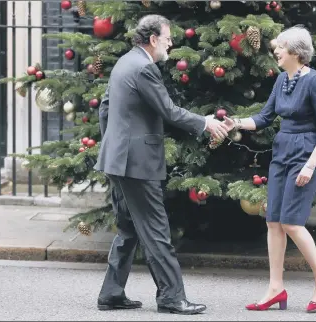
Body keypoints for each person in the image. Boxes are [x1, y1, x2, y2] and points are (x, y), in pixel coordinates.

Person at [94, 14, 231, 315]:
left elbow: (105, 109)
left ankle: (111, 294)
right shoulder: (144, 68)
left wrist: (112, 146)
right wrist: (204, 123)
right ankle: (171, 297)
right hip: (136, 163)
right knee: (156, 230)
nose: (171, 43)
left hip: (118, 160)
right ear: (153, 39)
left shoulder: (124, 62)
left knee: (129, 228)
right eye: (168, 38)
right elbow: (168, 111)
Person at [222, 25, 316, 312]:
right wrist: (234, 123)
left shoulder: (315, 82)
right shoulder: (282, 81)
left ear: (297, 52)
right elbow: (263, 117)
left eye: (281, 47)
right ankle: (276, 288)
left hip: (306, 154)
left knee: (292, 222)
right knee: (273, 221)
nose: (275, 51)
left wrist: (310, 166)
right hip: (283, 150)